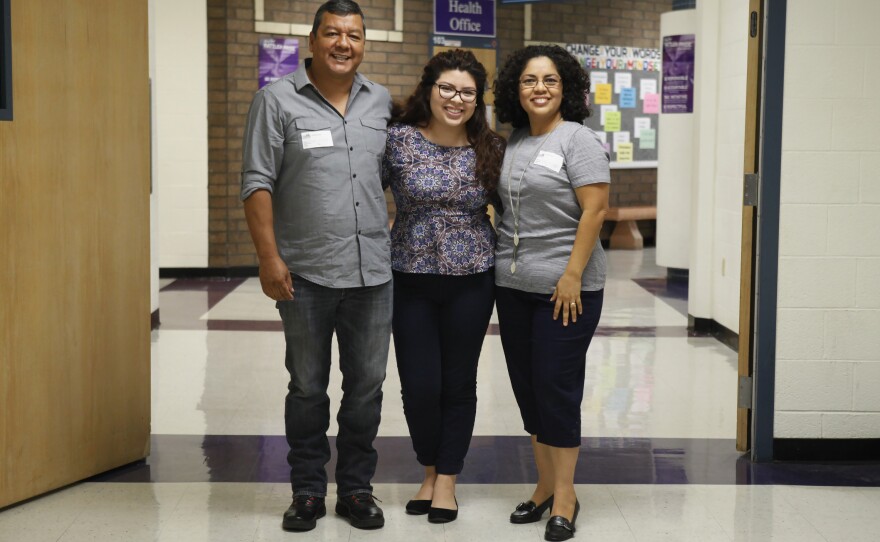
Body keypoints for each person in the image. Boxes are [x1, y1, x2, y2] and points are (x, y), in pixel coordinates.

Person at [240, 0, 392, 533]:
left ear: (363, 44)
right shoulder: (276, 101)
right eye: (332, 33)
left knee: (367, 387)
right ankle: (307, 490)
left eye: (353, 34)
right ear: (312, 40)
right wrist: (268, 257)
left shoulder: (381, 103)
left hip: (373, 272)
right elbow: (256, 183)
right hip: (303, 272)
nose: (343, 44)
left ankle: (355, 489)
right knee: (307, 386)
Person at [492, 44, 610, 542]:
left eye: (550, 81)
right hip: (513, 285)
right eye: (528, 81)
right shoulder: (514, 140)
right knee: (528, 389)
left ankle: (566, 496)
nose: (539, 89)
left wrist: (571, 274)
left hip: (567, 289)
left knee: (556, 388)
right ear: (515, 91)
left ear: (566, 89)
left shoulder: (578, 140)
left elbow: (595, 210)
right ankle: (543, 485)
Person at [382, 49, 504, 524]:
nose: (456, 99)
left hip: (473, 279)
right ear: (429, 89)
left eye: (467, 92)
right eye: (447, 89)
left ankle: (446, 479)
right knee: (418, 384)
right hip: (409, 276)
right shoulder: (398, 142)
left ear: (478, 100)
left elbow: (515, 210)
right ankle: (428, 469)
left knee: (457, 381)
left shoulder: (491, 147)